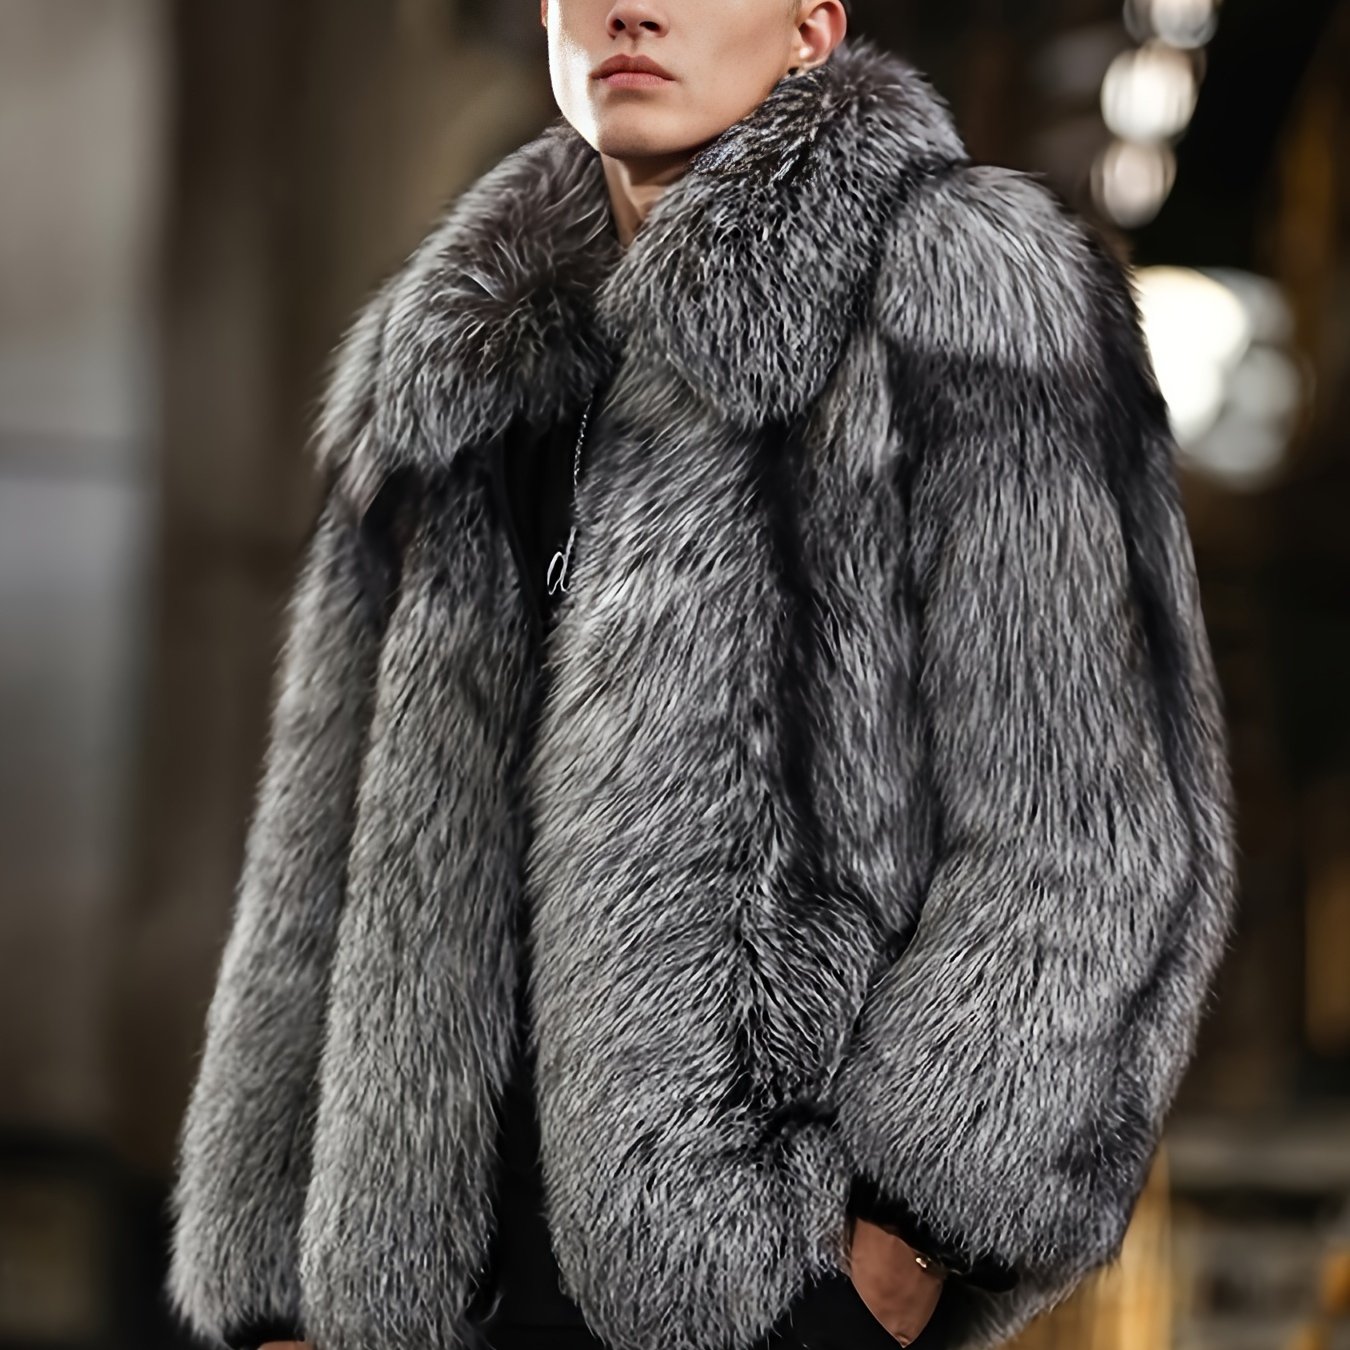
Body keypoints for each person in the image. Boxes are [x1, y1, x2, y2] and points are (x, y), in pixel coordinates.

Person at [164, 1, 1239, 1348]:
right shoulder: (438, 364)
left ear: (809, 27)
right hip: (424, 1293)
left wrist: (902, 1247)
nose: (629, 8)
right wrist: (272, 1282)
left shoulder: (968, 287)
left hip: (753, 1281)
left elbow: (1090, 826)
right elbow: (316, 851)